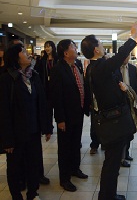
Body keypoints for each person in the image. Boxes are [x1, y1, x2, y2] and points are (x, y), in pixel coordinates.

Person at [83, 25, 137, 200]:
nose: (102, 46)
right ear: (96, 49)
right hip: (113, 121)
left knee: (112, 163)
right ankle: (106, 196)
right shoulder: (99, 67)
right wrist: (132, 37)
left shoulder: (94, 68)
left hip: (110, 120)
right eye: (100, 44)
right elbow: (119, 57)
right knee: (111, 163)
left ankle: (108, 194)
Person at [0, 43, 53, 200]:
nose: (27, 53)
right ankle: (16, 196)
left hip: (33, 130)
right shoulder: (6, 79)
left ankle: (32, 193)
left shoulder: (33, 76)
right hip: (15, 134)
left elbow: (42, 103)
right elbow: (3, 111)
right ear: (16, 58)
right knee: (15, 167)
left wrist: (47, 127)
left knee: (34, 164)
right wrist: (7, 140)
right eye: (23, 51)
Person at [50, 39, 91, 192]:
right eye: (73, 46)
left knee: (75, 144)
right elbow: (56, 96)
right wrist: (60, 119)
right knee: (65, 148)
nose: (76, 48)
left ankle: (75, 169)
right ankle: (64, 178)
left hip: (78, 112)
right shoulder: (58, 69)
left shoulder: (77, 65)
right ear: (66, 53)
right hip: (66, 116)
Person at [33, 41, 58, 185]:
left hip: (55, 89)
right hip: (45, 90)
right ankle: (48, 127)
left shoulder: (57, 60)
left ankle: (51, 126)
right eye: (46, 46)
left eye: (49, 46)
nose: (48, 48)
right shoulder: (41, 61)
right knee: (47, 111)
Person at [117, 54, 137, 167]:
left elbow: (135, 86)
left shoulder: (133, 68)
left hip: (130, 102)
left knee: (130, 129)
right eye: (124, 56)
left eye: (128, 56)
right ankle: (120, 156)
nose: (126, 58)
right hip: (120, 103)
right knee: (122, 131)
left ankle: (126, 153)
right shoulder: (115, 68)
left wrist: (136, 102)